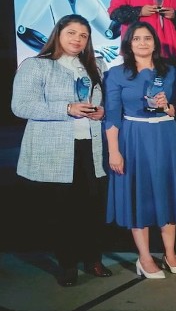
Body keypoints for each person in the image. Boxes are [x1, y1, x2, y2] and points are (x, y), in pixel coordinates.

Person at [11, 15, 113, 287]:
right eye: (71, 33)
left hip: (90, 147)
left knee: (92, 207)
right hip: (55, 150)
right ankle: (67, 265)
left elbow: (103, 104)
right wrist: (66, 109)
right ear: (58, 34)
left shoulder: (97, 66)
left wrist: (102, 113)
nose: (77, 39)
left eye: (83, 35)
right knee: (61, 211)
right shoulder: (36, 66)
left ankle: (93, 259)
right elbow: (20, 106)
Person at [104, 22, 176, 280]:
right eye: (137, 39)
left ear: (155, 43)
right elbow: (112, 116)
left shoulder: (171, 71)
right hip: (134, 138)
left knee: (167, 192)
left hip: (165, 138)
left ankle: (170, 252)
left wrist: (167, 107)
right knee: (138, 195)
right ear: (128, 44)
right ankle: (144, 256)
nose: (142, 43)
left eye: (147, 38)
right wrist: (114, 151)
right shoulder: (117, 74)